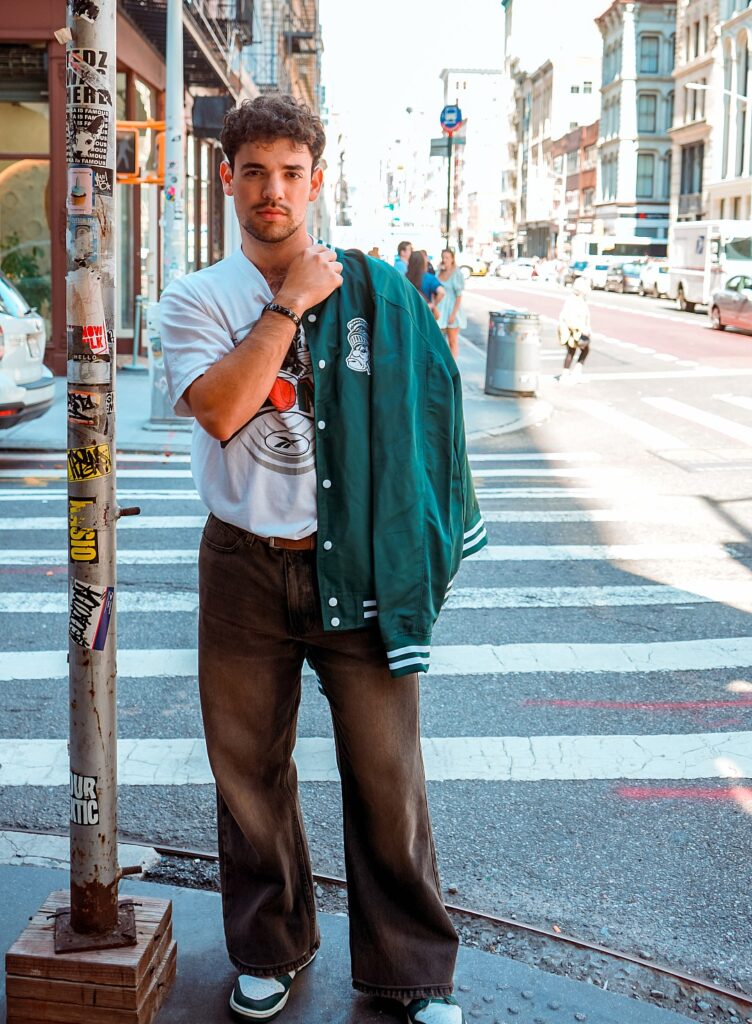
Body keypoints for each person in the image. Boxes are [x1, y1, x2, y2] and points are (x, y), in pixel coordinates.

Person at [159, 94, 486, 1024]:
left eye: (291, 174)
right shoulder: (196, 299)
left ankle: (413, 970)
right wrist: (289, 303)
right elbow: (224, 409)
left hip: (360, 564)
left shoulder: (375, 292)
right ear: (227, 178)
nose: (274, 191)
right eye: (254, 172)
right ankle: (272, 947)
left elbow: (430, 419)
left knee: (388, 778)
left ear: (317, 181)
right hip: (243, 568)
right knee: (247, 775)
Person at [557, 275, 592, 381]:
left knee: (574, 351)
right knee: (574, 351)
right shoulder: (574, 300)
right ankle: (569, 373)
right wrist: (583, 328)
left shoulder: (577, 299)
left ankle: (570, 372)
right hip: (573, 331)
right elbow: (570, 318)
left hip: (574, 330)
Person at [436, 248, 466, 360]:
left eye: (447, 257)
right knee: (440, 341)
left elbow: (459, 296)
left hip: (452, 310)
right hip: (440, 310)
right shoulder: (439, 271)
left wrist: (453, 314)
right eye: (443, 257)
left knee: (452, 341)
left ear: (452, 259)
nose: (444, 259)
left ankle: (453, 369)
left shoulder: (457, 273)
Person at [406, 249, 445, 320]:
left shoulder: (404, 277)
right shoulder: (429, 278)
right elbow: (442, 292)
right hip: (424, 314)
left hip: (408, 314)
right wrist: (433, 305)